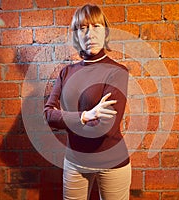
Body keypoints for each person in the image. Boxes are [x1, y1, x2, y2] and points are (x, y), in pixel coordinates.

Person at [44, 4, 131, 200]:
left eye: (96, 27)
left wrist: (66, 119)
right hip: (75, 162)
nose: (90, 34)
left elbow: (106, 128)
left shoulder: (117, 72)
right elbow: (49, 115)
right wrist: (86, 116)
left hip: (112, 162)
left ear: (105, 32)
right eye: (83, 28)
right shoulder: (66, 72)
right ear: (76, 35)